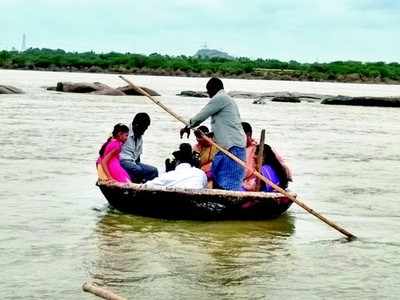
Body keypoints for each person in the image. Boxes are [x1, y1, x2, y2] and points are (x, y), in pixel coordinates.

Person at [180, 78, 246, 191]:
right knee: (217, 173)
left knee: (228, 182)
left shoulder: (220, 98)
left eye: (208, 90)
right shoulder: (227, 100)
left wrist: (187, 126)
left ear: (214, 89)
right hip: (227, 147)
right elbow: (225, 125)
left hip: (232, 148)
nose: (208, 94)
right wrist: (208, 134)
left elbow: (202, 115)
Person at [120, 113, 158, 183]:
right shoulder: (123, 132)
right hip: (122, 161)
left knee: (154, 171)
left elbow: (138, 157)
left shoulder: (139, 136)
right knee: (138, 170)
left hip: (133, 162)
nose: (144, 132)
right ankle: (135, 184)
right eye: (143, 129)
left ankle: (142, 186)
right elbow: (110, 146)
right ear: (136, 125)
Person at [241, 122, 258, 191]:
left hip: (253, 182)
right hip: (242, 183)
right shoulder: (236, 148)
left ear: (248, 134)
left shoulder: (257, 148)